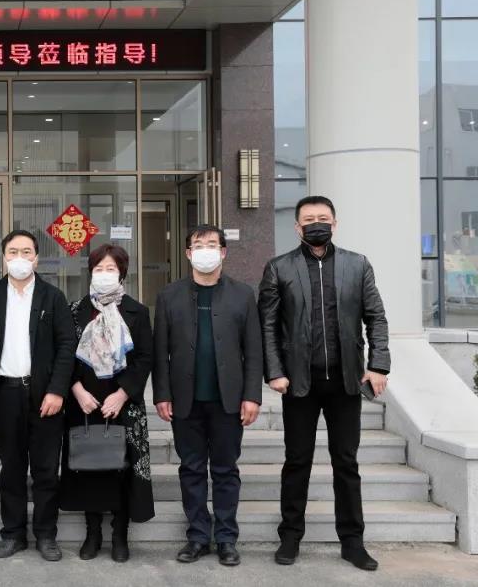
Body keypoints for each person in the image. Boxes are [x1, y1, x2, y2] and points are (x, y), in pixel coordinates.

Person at [259, 196, 390, 571]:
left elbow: (376, 317)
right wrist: (275, 371)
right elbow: (268, 325)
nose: (316, 223)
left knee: (346, 463)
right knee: (297, 461)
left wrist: (378, 365)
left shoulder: (357, 264)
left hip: (346, 381)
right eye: (309, 219)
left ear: (334, 223)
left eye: (323, 218)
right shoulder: (279, 268)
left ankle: (352, 541)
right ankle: (290, 537)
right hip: (299, 382)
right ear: (297, 227)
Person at [153, 224, 263, 567]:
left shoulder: (242, 294)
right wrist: (161, 394)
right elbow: (159, 352)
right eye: (198, 245)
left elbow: (254, 350)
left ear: (223, 252)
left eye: (212, 244)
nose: (205, 250)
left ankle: (227, 538)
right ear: (188, 253)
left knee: (226, 470)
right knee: (192, 469)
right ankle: (198, 536)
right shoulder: (169, 295)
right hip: (185, 400)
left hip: (228, 400)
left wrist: (252, 395)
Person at [0, 230, 76, 562]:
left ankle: (46, 534)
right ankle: (13, 534)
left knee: (46, 470)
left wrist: (57, 390)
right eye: (13, 252)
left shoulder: (53, 297)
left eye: (26, 252)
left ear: (36, 258)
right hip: (5, 393)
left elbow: (67, 346)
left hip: (45, 396)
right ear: (4, 258)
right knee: (12, 469)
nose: (20, 258)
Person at [61, 243, 154, 563]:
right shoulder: (74, 310)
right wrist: (76, 390)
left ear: (122, 273)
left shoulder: (136, 311)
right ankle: (92, 534)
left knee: (121, 471)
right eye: (99, 269)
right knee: (89, 467)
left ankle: (119, 535)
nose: (104, 274)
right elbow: (64, 355)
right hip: (84, 404)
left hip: (123, 404)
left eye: (110, 269)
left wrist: (122, 393)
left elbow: (145, 358)